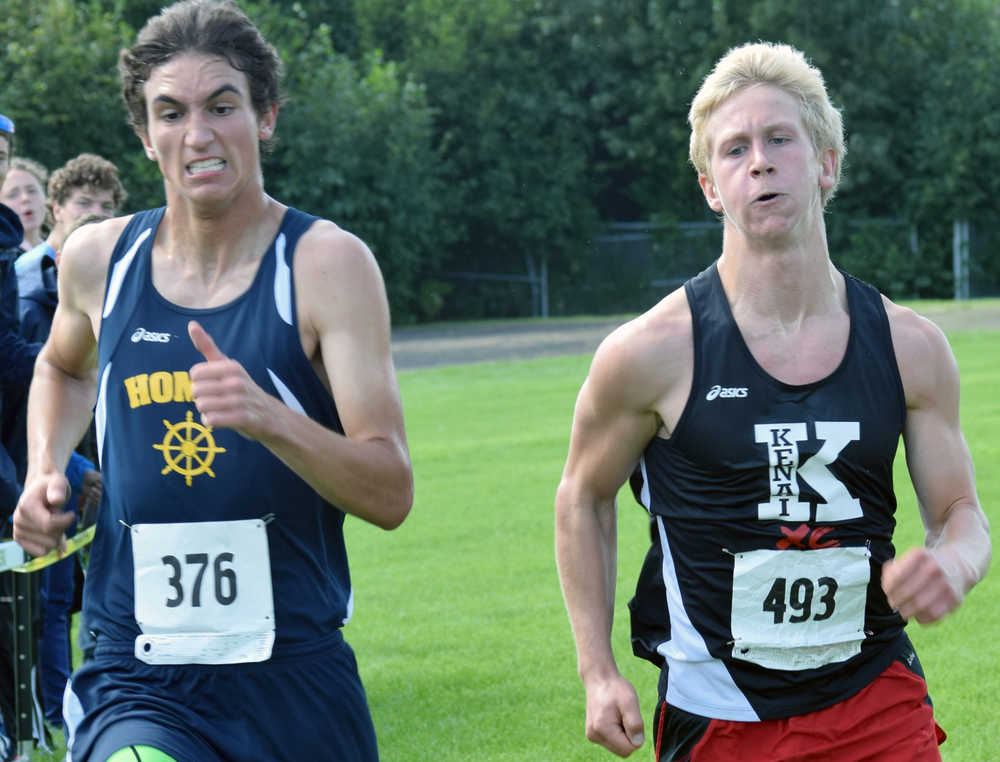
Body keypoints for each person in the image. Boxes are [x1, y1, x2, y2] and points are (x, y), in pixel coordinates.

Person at [554, 41, 990, 761]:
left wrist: (953, 563)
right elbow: (581, 497)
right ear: (710, 187)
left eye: (780, 139)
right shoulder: (650, 352)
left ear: (826, 163)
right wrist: (596, 670)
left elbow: (960, 515)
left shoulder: (910, 346)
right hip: (718, 712)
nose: (759, 161)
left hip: (874, 696)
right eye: (735, 149)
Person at [11, 1, 414, 760]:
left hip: (291, 671)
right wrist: (43, 470)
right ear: (144, 134)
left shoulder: (327, 266)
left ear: (265, 117)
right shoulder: (100, 260)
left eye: (222, 106)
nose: (197, 135)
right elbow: (63, 366)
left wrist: (273, 419)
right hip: (137, 668)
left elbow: (390, 493)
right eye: (171, 112)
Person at [10, 154, 125, 737]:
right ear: (57, 209)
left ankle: (98, 698)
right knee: (51, 598)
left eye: (107, 208)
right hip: (52, 468)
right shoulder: (29, 281)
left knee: (95, 590)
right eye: (84, 205)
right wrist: (60, 466)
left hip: (109, 462)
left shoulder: (121, 270)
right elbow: (38, 381)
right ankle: (55, 710)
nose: (95, 216)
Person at [0, 158, 49, 252]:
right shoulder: (4, 259)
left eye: (31, 190)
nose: (25, 198)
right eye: (12, 195)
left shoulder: (61, 251)